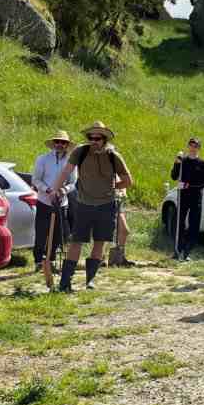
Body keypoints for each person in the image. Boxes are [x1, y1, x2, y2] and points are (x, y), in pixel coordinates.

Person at [54, 121, 133, 292]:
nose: (94, 140)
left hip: (107, 205)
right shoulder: (80, 152)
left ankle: (90, 280)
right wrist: (55, 190)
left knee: (99, 243)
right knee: (76, 242)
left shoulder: (114, 156)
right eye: (91, 137)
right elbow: (65, 172)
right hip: (84, 204)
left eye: (97, 138)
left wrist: (113, 188)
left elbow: (128, 180)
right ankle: (65, 283)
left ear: (104, 139)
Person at [30, 130, 76, 272]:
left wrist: (63, 191)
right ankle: (38, 262)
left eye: (63, 142)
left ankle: (51, 261)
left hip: (61, 203)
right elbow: (36, 180)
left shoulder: (71, 161)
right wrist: (48, 190)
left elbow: (73, 182)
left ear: (67, 145)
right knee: (41, 233)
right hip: (44, 201)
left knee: (57, 235)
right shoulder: (42, 159)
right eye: (57, 142)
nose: (60, 144)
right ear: (53, 144)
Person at [171, 137, 204, 261]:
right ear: (188, 147)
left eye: (195, 146)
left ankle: (187, 251)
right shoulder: (183, 161)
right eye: (191, 146)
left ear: (199, 148)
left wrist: (188, 185)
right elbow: (174, 176)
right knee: (179, 223)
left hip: (196, 198)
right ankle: (178, 250)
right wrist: (176, 163)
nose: (193, 148)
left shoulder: (202, 164)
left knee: (194, 225)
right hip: (183, 198)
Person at [108, 188, 135, 267]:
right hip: (106, 202)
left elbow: (124, 183)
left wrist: (123, 192)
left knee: (124, 231)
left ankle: (119, 258)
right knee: (106, 231)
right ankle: (100, 259)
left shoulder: (120, 175)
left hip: (118, 203)